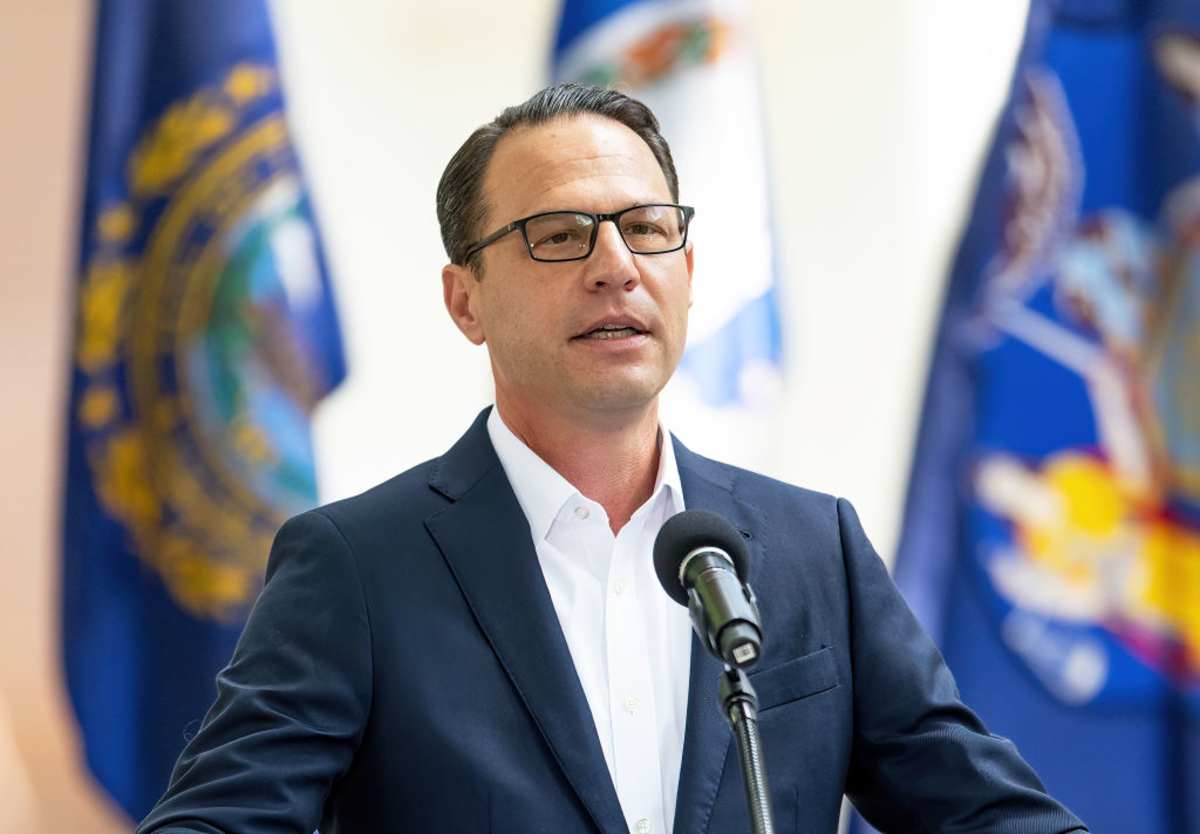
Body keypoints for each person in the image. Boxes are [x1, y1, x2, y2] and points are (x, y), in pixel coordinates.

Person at [137, 84, 1088, 834]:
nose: (616, 265)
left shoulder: (811, 548)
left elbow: (985, 813)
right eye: (558, 235)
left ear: (686, 267)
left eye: (647, 228)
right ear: (464, 300)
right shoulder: (357, 566)